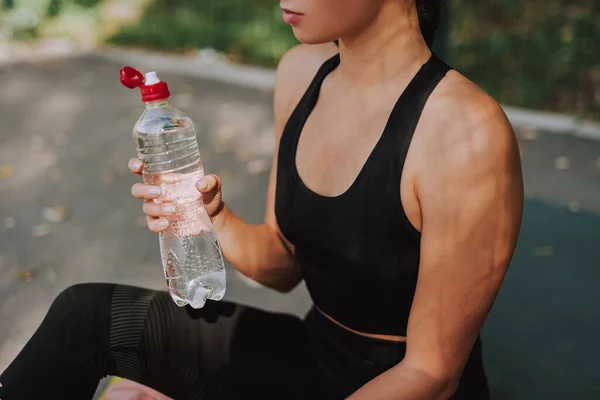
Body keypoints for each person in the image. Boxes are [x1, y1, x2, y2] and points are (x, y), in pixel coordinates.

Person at [0, 0, 524, 399]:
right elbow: (281, 265)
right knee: (85, 317)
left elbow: (431, 374)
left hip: (404, 387)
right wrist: (212, 217)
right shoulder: (302, 74)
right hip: (312, 356)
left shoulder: (465, 132)